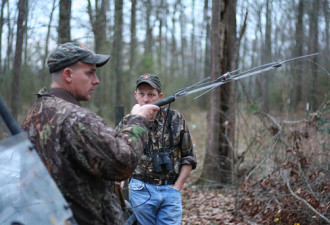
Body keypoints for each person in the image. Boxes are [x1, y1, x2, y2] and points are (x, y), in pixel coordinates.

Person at [22, 42, 159, 225]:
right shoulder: (77, 118)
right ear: (68, 75)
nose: (96, 80)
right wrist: (138, 120)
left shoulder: (37, 111)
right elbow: (122, 163)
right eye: (90, 73)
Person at [116, 74, 197, 225]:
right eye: (141, 94)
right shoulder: (128, 121)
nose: (146, 99)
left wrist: (177, 188)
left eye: (151, 94)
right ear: (135, 95)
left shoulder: (176, 119)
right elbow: (117, 155)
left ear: (160, 96)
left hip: (170, 189)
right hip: (140, 189)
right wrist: (120, 180)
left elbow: (189, 157)